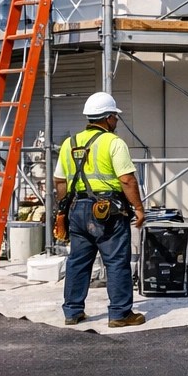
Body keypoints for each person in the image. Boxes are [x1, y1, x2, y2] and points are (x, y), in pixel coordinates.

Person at [56, 91, 147, 328]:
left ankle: (73, 312)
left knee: (77, 261)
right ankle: (120, 314)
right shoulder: (114, 142)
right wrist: (138, 208)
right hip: (107, 212)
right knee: (116, 261)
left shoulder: (69, 143)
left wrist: (64, 209)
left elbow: (59, 181)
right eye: (115, 117)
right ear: (107, 118)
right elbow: (127, 179)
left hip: (77, 210)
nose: (116, 121)